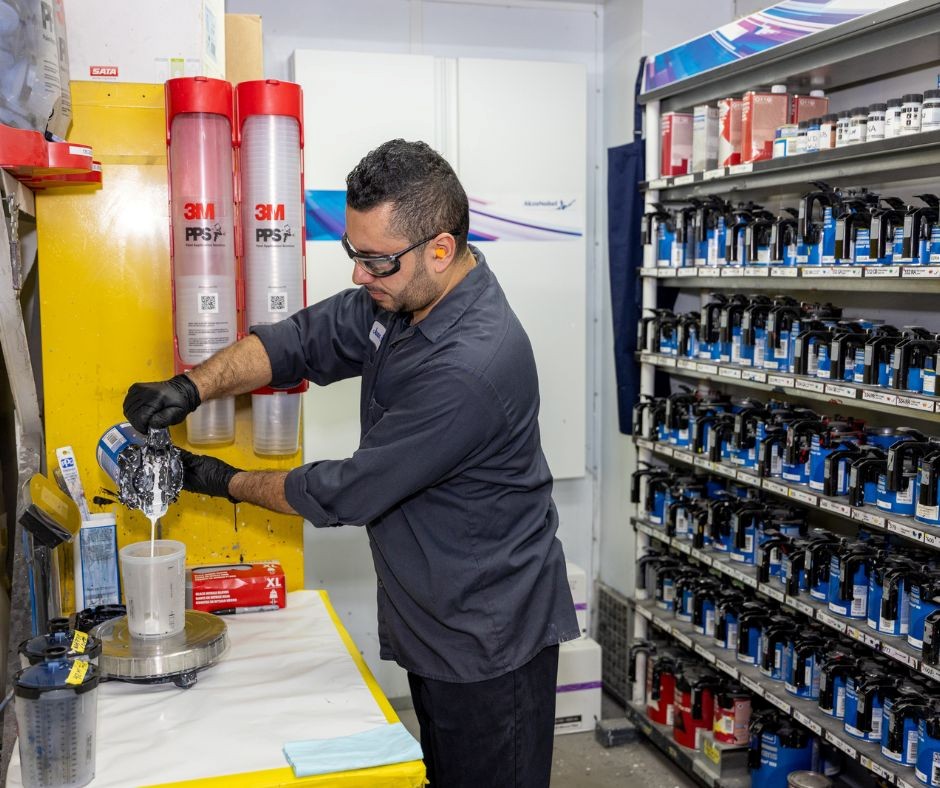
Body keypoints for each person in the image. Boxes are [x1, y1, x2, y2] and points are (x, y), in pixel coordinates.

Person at [124, 138, 579, 788]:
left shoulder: (469, 367)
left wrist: (220, 481)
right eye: (353, 254)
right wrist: (191, 387)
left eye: (374, 261)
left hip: (488, 641)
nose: (359, 276)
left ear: (440, 250)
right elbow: (301, 341)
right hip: (435, 620)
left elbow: (350, 491)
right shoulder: (404, 297)